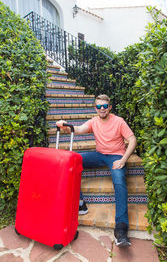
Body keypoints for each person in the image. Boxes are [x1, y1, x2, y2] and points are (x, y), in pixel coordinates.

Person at [56, 94, 137, 247]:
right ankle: (80, 203)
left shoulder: (118, 121)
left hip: (116, 156)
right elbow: (79, 129)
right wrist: (65, 125)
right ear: (95, 108)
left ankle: (121, 229)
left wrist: (123, 159)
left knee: (119, 182)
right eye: (99, 106)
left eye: (105, 106)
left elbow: (132, 139)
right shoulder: (94, 121)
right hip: (100, 154)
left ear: (110, 107)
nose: (102, 109)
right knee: (73, 160)